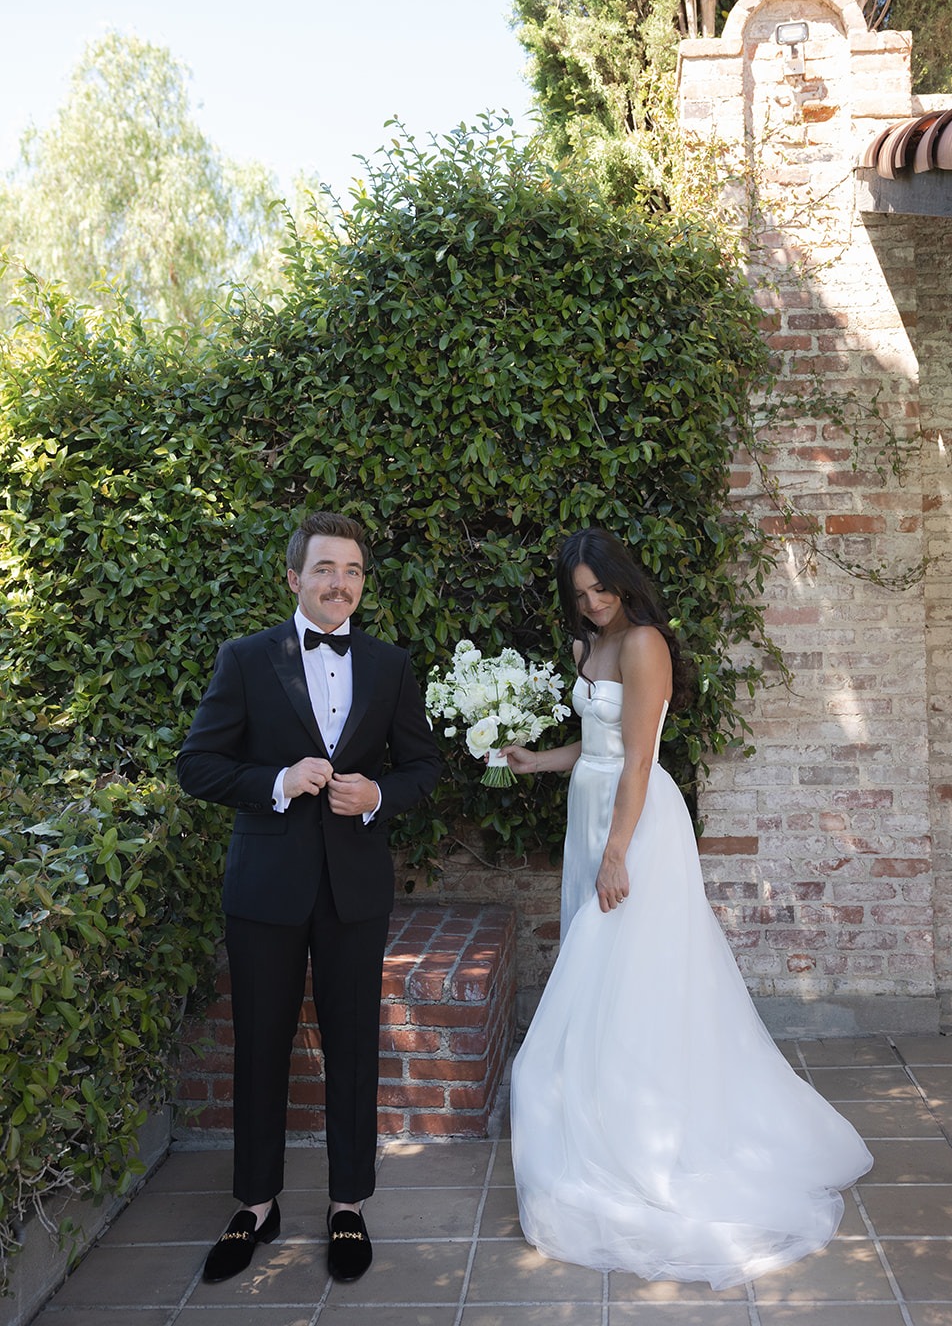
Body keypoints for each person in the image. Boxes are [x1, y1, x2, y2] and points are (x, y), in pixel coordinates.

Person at [504, 526, 873, 1288]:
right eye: (579, 595)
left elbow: (639, 757)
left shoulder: (644, 646)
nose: (594, 603)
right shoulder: (585, 649)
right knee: (603, 970)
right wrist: (535, 759)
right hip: (591, 810)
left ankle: (651, 1125)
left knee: (629, 967)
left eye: (601, 588)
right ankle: (609, 1103)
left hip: (634, 822)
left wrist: (616, 851)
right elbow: (597, 743)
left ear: (623, 580)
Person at [177, 510, 442, 1285]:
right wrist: (277, 783)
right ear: (294, 577)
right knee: (260, 1043)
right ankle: (255, 1205)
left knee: (354, 1046)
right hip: (264, 888)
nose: (340, 584)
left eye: (354, 571)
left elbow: (422, 768)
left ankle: (347, 1206)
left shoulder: (391, 664)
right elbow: (197, 766)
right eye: (326, 569)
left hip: (353, 889)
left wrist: (376, 796)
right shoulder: (246, 659)